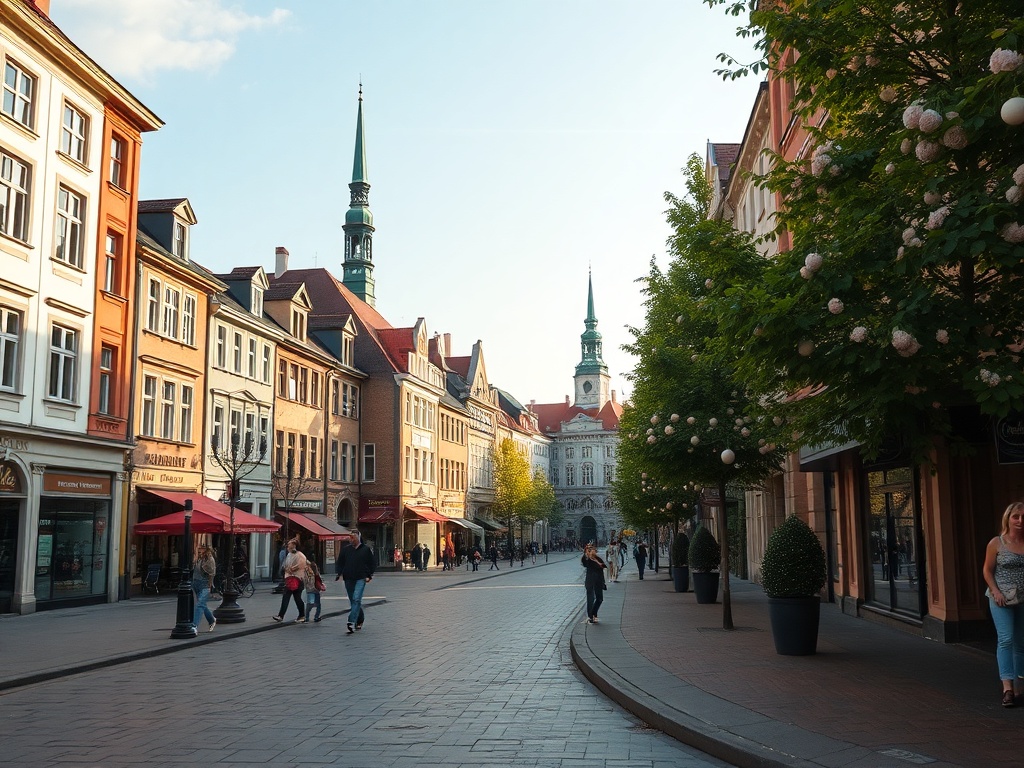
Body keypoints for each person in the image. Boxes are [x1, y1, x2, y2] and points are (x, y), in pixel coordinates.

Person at [983, 501, 1024, 707]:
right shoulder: (997, 543)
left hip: (1023, 599)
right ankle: (1007, 687)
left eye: (1023, 517)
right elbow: (987, 570)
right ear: (1008, 518)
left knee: (1020, 642)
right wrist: (996, 591)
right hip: (1001, 599)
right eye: (1016, 516)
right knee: (1006, 639)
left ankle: (1019, 685)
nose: (1020, 520)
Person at [336, 528, 375, 634]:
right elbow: (340, 562)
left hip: (361, 578)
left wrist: (369, 575)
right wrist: (339, 573)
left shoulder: (365, 550)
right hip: (348, 578)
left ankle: (351, 621)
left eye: (353, 537)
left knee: (356, 599)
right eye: (350, 537)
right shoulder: (346, 550)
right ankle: (360, 619)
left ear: (358, 538)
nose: (351, 539)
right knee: (353, 601)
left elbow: (372, 563)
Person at [272, 538, 307, 623]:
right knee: (296, 598)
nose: (288, 545)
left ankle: (281, 616)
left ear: (294, 545)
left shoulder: (300, 555)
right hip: (290, 578)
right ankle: (301, 615)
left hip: (297, 578)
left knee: (289, 596)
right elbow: (285, 564)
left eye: (290, 544)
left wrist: (291, 569)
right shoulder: (289, 554)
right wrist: (286, 568)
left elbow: (301, 565)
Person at [192, 544, 217, 632]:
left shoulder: (210, 559)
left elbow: (211, 573)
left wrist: (209, 586)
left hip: (205, 585)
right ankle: (211, 619)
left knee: (199, 605)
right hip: (196, 583)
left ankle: (194, 626)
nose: (200, 550)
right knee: (202, 604)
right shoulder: (200, 558)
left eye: (202, 548)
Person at [581, 544, 607, 624]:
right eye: (590, 550)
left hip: (599, 581)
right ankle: (590, 616)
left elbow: (604, 566)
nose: (593, 551)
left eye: (593, 550)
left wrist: (603, 581)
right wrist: (586, 554)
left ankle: (594, 613)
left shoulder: (598, 559)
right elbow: (584, 562)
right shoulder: (587, 559)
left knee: (600, 598)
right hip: (590, 581)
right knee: (591, 598)